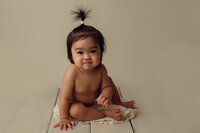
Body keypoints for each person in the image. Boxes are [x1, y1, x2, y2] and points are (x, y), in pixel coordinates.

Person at [54, 8, 136, 131]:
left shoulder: (101, 69)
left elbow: (106, 87)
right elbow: (64, 98)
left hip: (94, 100)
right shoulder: (72, 73)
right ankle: (105, 114)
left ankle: (118, 101)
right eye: (80, 52)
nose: (87, 57)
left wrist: (107, 96)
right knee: (75, 111)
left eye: (93, 51)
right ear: (71, 55)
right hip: (76, 102)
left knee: (109, 79)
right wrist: (64, 118)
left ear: (101, 52)